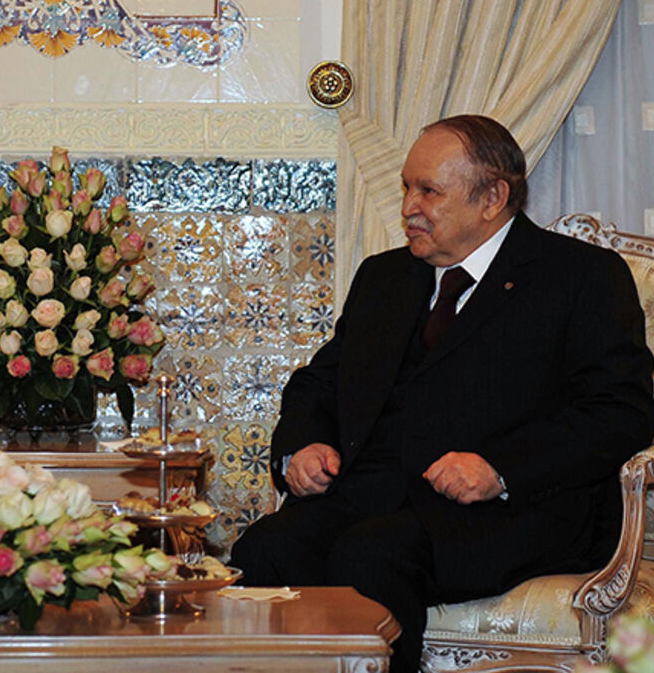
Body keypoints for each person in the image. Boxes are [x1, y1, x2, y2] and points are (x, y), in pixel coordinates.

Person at [231, 115, 654, 672]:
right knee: (264, 550)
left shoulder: (580, 276)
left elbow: (623, 410)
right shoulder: (385, 278)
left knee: (372, 556)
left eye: (428, 190)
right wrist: (302, 445)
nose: (409, 205)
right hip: (380, 491)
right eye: (407, 186)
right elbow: (321, 381)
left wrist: (499, 468)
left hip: (516, 506)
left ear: (493, 197)